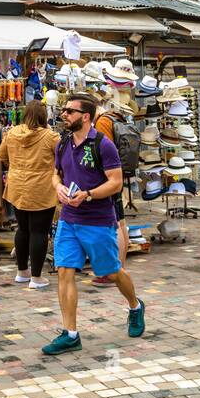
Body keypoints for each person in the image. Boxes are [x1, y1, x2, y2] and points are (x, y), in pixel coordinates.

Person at [42, 93, 144, 355]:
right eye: (64, 111)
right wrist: (60, 188)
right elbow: (56, 174)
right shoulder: (63, 143)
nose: (64, 115)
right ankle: (70, 333)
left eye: (69, 111)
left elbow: (115, 182)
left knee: (112, 272)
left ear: (85, 116)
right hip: (69, 220)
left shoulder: (103, 144)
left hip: (98, 221)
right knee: (64, 271)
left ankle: (134, 306)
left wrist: (87, 195)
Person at [0, 100, 60, 289]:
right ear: (44, 117)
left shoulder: (12, 133)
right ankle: (36, 277)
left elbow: (1, 156)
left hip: (17, 187)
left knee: (23, 229)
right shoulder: (50, 136)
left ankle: (22, 271)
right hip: (41, 188)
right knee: (39, 231)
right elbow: (62, 158)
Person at [93, 96, 135, 282]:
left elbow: (105, 152)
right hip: (119, 175)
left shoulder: (102, 122)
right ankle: (119, 268)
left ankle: (113, 272)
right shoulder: (115, 117)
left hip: (110, 178)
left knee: (116, 224)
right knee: (121, 223)